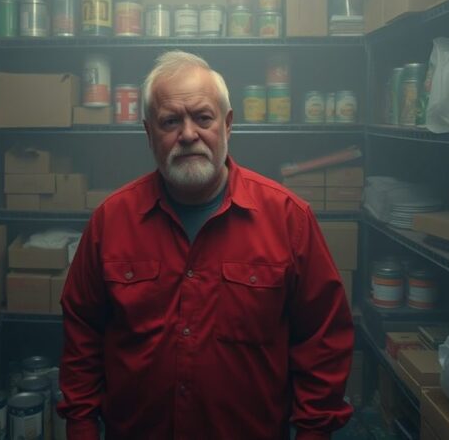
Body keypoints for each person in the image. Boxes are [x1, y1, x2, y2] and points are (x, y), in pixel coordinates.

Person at [58, 51, 354, 439]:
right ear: (149, 134)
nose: (187, 134)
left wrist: (314, 433)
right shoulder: (110, 222)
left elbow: (323, 340)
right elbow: (81, 334)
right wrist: (81, 427)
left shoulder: (288, 219)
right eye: (170, 121)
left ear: (227, 125)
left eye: (202, 117)